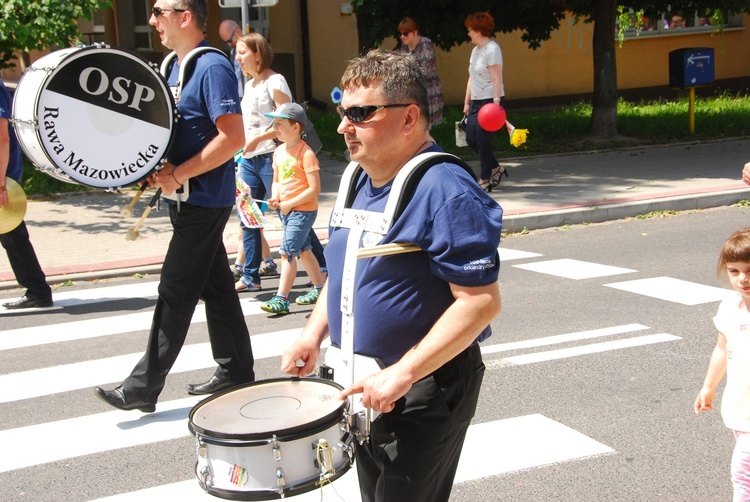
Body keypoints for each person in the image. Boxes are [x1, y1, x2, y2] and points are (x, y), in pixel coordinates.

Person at [280, 49, 503, 502]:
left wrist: (404, 373)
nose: (344, 126)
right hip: (364, 387)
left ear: (409, 118)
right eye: (344, 112)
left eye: (362, 114)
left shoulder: (446, 188)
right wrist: (312, 334)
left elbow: (481, 302)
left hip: (422, 390)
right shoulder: (357, 179)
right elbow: (344, 274)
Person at [95, 0, 255, 412]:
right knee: (215, 286)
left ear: (185, 17)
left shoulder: (212, 67)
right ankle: (236, 369)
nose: (152, 20)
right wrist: (156, 166)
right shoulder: (171, 67)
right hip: (183, 195)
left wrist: (180, 173)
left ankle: (143, 386)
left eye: (159, 11)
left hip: (204, 198)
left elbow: (233, 138)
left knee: (174, 288)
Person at [234, 32, 326, 292]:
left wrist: (256, 139)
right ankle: (251, 276)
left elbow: (286, 122)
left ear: (258, 54)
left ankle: (322, 266)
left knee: (291, 214)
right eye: (237, 53)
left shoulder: (275, 81)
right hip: (249, 159)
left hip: (272, 157)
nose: (238, 58)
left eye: (242, 52)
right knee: (248, 216)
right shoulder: (250, 85)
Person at [695, 227, 750, 501]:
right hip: (741, 410)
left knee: (743, 477)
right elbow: (722, 348)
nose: (743, 279)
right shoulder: (729, 307)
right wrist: (709, 386)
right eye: (735, 271)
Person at [259, 102, 326, 315]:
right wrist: (276, 197)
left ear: (296, 127)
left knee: (287, 252)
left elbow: (314, 189)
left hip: (302, 211)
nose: (275, 128)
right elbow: (277, 180)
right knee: (304, 250)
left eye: (279, 124)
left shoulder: (306, 154)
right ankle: (320, 288)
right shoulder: (278, 152)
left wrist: (290, 203)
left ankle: (282, 298)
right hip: (286, 210)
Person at [0, 81, 53, 310]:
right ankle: (38, 291)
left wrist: (0, 185)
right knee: (13, 238)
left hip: (3, 179)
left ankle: (38, 291)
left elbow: (2, 137)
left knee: (13, 237)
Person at [464, 11, 508, 192]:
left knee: (482, 140)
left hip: (490, 101)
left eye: (470, 29)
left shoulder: (492, 49)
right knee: (470, 138)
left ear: (477, 30)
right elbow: (471, 78)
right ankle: (496, 168)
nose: (468, 33)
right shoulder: (475, 51)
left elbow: (497, 78)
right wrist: (466, 102)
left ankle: (484, 179)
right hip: (475, 101)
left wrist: (496, 104)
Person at [397, 16, 443, 128]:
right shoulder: (404, 47)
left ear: (415, 32)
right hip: (413, 93)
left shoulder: (426, 43)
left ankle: (431, 146)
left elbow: (426, 70)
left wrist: (406, 73)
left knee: (425, 128)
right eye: (400, 33)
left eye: (406, 33)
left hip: (429, 93)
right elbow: (402, 67)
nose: (402, 36)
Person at [218, 19, 244, 99]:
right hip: (237, 95)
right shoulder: (233, 50)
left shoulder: (253, 47)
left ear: (237, 32)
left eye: (229, 40)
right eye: (226, 42)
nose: (229, 44)